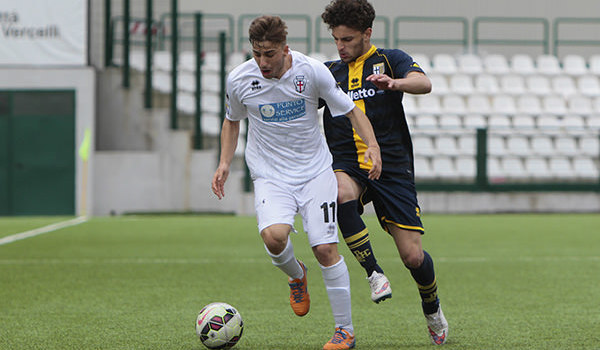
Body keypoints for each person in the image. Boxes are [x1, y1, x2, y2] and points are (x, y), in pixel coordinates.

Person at [211, 15, 382, 350]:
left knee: (325, 248)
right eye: (257, 53)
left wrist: (373, 147)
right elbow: (232, 121)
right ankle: (296, 275)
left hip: (315, 172)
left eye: (270, 54)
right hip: (270, 175)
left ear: (285, 49)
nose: (263, 62)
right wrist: (223, 163)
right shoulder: (240, 79)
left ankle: (344, 331)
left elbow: (351, 112)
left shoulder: (311, 71)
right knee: (274, 239)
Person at [320, 0, 449, 345]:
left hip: (392, 168)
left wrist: (395, 84)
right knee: (337, 192)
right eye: (336, 39)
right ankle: (374, 273)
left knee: (412, 256)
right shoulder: (330, 71)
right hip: (348, 163)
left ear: (367, 34)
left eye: (347, 39)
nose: (341, 46)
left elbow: (424, 83)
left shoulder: (391, 59)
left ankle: (432, 307)